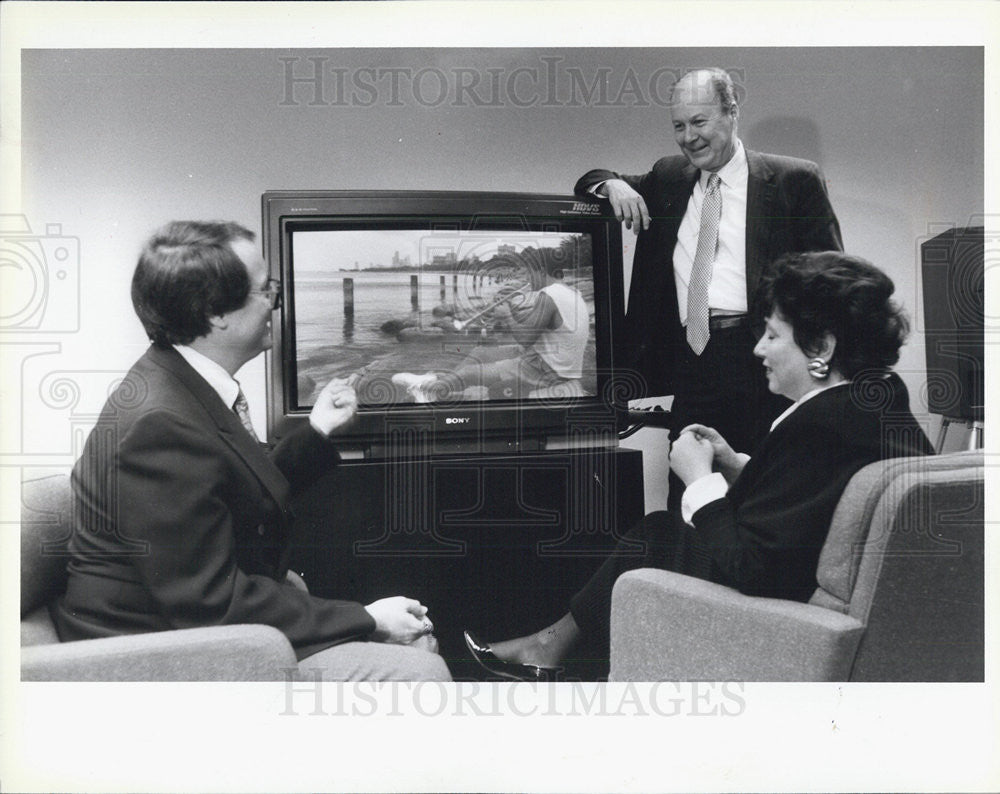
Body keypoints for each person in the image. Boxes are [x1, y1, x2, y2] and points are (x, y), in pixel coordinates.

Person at [465, 251, 933, 680]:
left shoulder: (819, 425)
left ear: (822, 348)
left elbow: (750, 569)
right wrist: (737, 466)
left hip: (786, 622)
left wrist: (700, 479)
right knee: (660, 532)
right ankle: (550, 648)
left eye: (772, 335)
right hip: (842, 617)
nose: (758, 351)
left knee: (658, 534)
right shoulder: (876, 405)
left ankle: (548, 650)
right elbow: (816, 501)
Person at [55, 220, 451, 681]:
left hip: (181, 621)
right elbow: (210, 603)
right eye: (267, 290)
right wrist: (369, 618)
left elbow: (234, 481)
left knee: (404, 641)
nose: (275, 302)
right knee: (420, 671)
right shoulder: (158, 425)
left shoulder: (177, 383)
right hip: (149, 655)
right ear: (214, 312)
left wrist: (318, 428)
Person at [575, 67, 843, 505]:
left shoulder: (794, 180)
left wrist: (817, 367)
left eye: (699, 122)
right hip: (693, 362)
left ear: (731, 113)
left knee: (765, 492)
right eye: (678, 126)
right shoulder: (668, 177)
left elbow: (833, 281)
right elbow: (590, 180)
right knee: (689, 493)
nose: (688, 137)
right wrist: (613, 184)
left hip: (763, 360)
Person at [391, 257, 590, 401]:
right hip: (551, 360)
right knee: (480, 351)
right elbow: (534, 325)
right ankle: (437, 381)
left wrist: (506, 315)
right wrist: (510, 308)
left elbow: (526, 338)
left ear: (540, 271)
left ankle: (427, 391)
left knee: (469, 372)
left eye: (530, 272)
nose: (529, 278)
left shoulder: (548, 295)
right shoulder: (572, 293)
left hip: (545, 368)